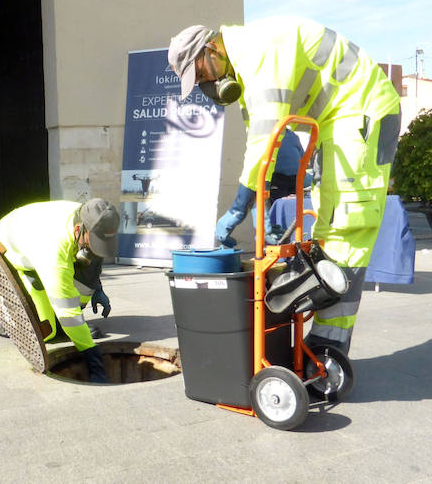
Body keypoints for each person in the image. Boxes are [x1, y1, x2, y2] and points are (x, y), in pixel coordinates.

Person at [168, 18, 401, 355]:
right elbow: (260, 147)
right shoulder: (245, 68)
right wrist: (257, 202)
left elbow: (267, 139)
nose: (209, 83)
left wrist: (238, 206)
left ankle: (329, 345)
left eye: (202, 74)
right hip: (338, 120)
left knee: (347, 223)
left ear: (210, 49)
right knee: (327, 224)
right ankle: (325, 336)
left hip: (363, 111)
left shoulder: (260, 51)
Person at [0, 198, 119, 383]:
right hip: (9, 255)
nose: (98, 248)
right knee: (35, 329)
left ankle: (68, 329)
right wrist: (92, 357)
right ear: (78, 230)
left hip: (31, 242)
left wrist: (97, 288)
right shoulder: (54, 250)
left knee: (77, 288)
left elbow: (92, 251)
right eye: (95, 242)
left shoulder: (88, 216)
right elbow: (66, 311)